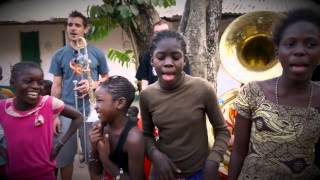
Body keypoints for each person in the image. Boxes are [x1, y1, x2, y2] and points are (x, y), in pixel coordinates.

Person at [228, 8, 320, 180]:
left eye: (311, 44)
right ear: (278, 52)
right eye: (290, 44)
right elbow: (238, 152)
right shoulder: (252, 91)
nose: (300, 51)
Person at [140, 30, 230, 179]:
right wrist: (155, 155)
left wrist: (213, 160)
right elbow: (146, 135)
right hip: (164, 173)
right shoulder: (147, 95)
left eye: (175, 57)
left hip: (201, 172)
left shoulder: (203, 89)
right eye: (161, 57)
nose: (168, 63)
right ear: (151, 61)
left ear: (185, 60)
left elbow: (222, 131)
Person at [49, 10, 109, 180]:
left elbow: (106, 78)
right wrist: (54, 115)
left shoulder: (96, 53)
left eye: (77, 25)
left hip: (91, 109)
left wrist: (94, 84)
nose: (73, 29)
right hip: (66, 110)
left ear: (86, 29)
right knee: (65, 157)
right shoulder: (59, 54)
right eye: (70, 25)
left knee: (93, 156)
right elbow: (56, 85)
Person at [0, 61, 83, 179]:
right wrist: (2, 150)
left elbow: (78, 117)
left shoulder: (48, 103)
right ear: (12, 82)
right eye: (28, 81)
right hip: (13, 174)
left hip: (45, 174)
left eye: (40, 82)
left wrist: (59, 144)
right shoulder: (3, 107)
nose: (35, 86)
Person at [88, 75, 144, 180]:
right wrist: (95, 150)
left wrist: (106, 161)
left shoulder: (133, 139)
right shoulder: (98, 127)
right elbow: (95, 174)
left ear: (120, 103)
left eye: (99, 100)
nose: (95, 106)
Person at [135, 20, 190, 91]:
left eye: (164, 32)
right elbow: (144, 80)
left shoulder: (180, 55)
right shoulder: (147, 55)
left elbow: (187, 78)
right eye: (157, 33)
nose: (161, 35)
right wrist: (145, 95)